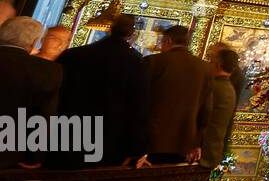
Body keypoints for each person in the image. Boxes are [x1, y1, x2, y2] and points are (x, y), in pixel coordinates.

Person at [52, 15, 150, 169]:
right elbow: (138, 108)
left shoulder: (73, 55)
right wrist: (137, 148)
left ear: (110, 29)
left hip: (67, 131)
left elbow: (54, 94)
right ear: (132, 34)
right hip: (109, 139)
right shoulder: (136, 62)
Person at [0, 17, 62, 168]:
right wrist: (33, 157)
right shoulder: (47, 71)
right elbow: (43, 117)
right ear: (34, 42)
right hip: (7, 154)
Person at [146, 26, 211, 164]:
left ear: (168, 41)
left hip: (151, 140)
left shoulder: (154, 62)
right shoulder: (205, 69)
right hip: (185, 142)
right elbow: (205, 111)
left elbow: (140, 102)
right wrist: (197, 143)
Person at [201, 48, 239, 168]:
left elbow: (203, 117)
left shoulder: (214, 87)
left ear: (218, 65)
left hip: (202, 151)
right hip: (213, 150)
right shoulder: (229, 88)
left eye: (211, 62)